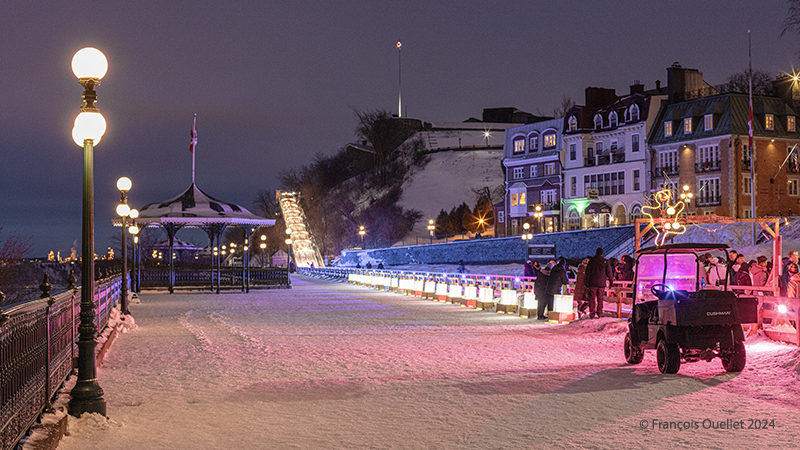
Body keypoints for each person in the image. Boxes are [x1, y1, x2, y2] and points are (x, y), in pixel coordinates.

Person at [585, 247, 612, 319]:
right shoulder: (605, 262)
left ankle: (592, 313)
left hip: (592, 283)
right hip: (601, 283)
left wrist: (586, 283)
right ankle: (600, 312)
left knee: (592, 299)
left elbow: (588, 273)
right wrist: (611, 282)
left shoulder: (592, 261)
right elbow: (609, 272)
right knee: (600, 299)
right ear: (602, 253)